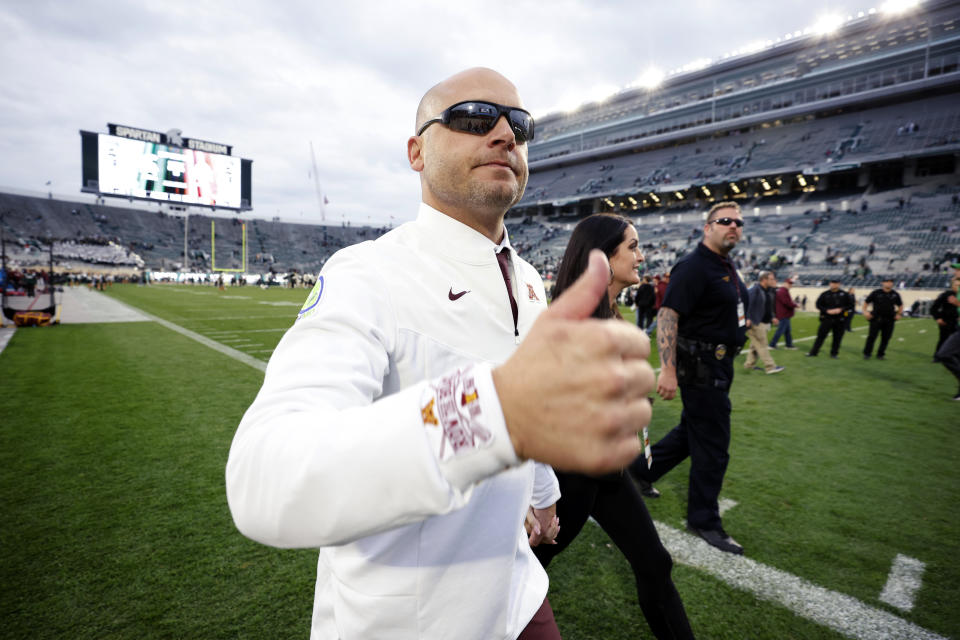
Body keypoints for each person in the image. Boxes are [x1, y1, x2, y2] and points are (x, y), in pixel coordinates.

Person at [225, 68, 656, 640]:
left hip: (519, 595)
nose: (504, 132)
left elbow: (529, 410)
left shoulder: (527, 279)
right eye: (474, 117)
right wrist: (485, 411)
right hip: (409, 620)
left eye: (520, 125)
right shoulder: (366, 274)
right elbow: (265, 478)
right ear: (417, 151)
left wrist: (544, 494)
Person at [533, 214, 694, 640]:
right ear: (602, 257)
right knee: (523, 575)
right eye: (633, 246)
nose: (642, 255)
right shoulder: (576, 323)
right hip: (574, 472)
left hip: (609, 470)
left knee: (655, 564)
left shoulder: (612, 315)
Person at [629, 201, 749, 555]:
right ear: (708, 226)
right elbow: (668, 316)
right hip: (701, 368)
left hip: (718, 367)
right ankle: (704, 520)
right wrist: (667, 369)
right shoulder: (695, 265)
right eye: (726, 221)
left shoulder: (724, 265)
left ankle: (640, 471)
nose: (734, 227)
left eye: (739, 223)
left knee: (689, 434)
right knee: (712, 447)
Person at [743, 271, 784, 374]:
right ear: (764, 280)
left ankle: (749, 365)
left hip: (765, 322)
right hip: (755, 322)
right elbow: (747, 304)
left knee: (755, 346)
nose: (773, 281)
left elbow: (768, 307)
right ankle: (770, 367)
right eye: (771, 279)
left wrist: (772, 317)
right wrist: (747, 318)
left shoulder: (769, 291)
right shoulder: (754, 290)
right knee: (762, 345)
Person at [806, 279, 849, 359]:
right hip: (827, 319)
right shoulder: (824, 294)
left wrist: (841, 309)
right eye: (832, 283)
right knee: (820, 336)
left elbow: (850, 305)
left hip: (839, 320)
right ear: (830, 284)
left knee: (837, 337)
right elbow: (818, 305)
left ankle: (834, 354)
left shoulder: (844, 294)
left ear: (839, 284)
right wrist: (827, 311)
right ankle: (814, 352)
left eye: (835, 283)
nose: (833, 285)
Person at [862, 277, 903, 360]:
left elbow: (900, 305)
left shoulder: (895, 294)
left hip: (889, 319)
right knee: (872, 337)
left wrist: (899, 314)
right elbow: (866, 303)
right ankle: (867, 353)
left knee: (886, 338)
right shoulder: (876, 293)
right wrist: (865, 312)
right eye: (887, 282)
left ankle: (880, 354)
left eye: (891, 281)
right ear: (882, 283)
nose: (889, 283)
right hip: (876, 318)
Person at [930, 277, 959, 359]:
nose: (957, 287)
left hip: (958, 322)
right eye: (956, 285)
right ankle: (938, 357)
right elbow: (934, 308)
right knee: (943, 339)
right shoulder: (945, 295)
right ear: (952, 285)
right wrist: (938, 318)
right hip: (946, 322)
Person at [768, 278, 799, 349]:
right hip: (783, 314)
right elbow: (787, 302)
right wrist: (796, 305)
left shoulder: (783, 291)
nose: (791, 285)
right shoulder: (782, 291)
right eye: (789, 284)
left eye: (791, 284)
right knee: (780, 330)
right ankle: (772, 344)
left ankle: (789, 344)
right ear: (785, 283)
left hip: (785, 314)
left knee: (787, 331)